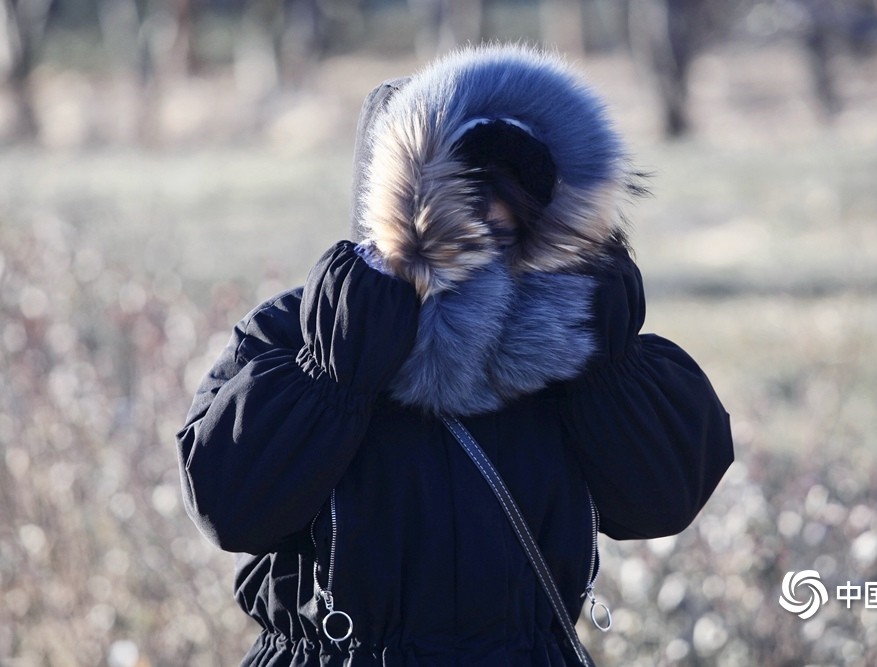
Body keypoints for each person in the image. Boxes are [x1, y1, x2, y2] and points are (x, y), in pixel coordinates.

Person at [176, 44, 734, 667]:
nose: (487, 241)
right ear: (395, 211)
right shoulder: (306, 334)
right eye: (459, 214)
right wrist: (339, 371)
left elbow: (663, 499)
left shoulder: (564, 343)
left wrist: (609, 361)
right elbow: (230, 509)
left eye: (511, 221)